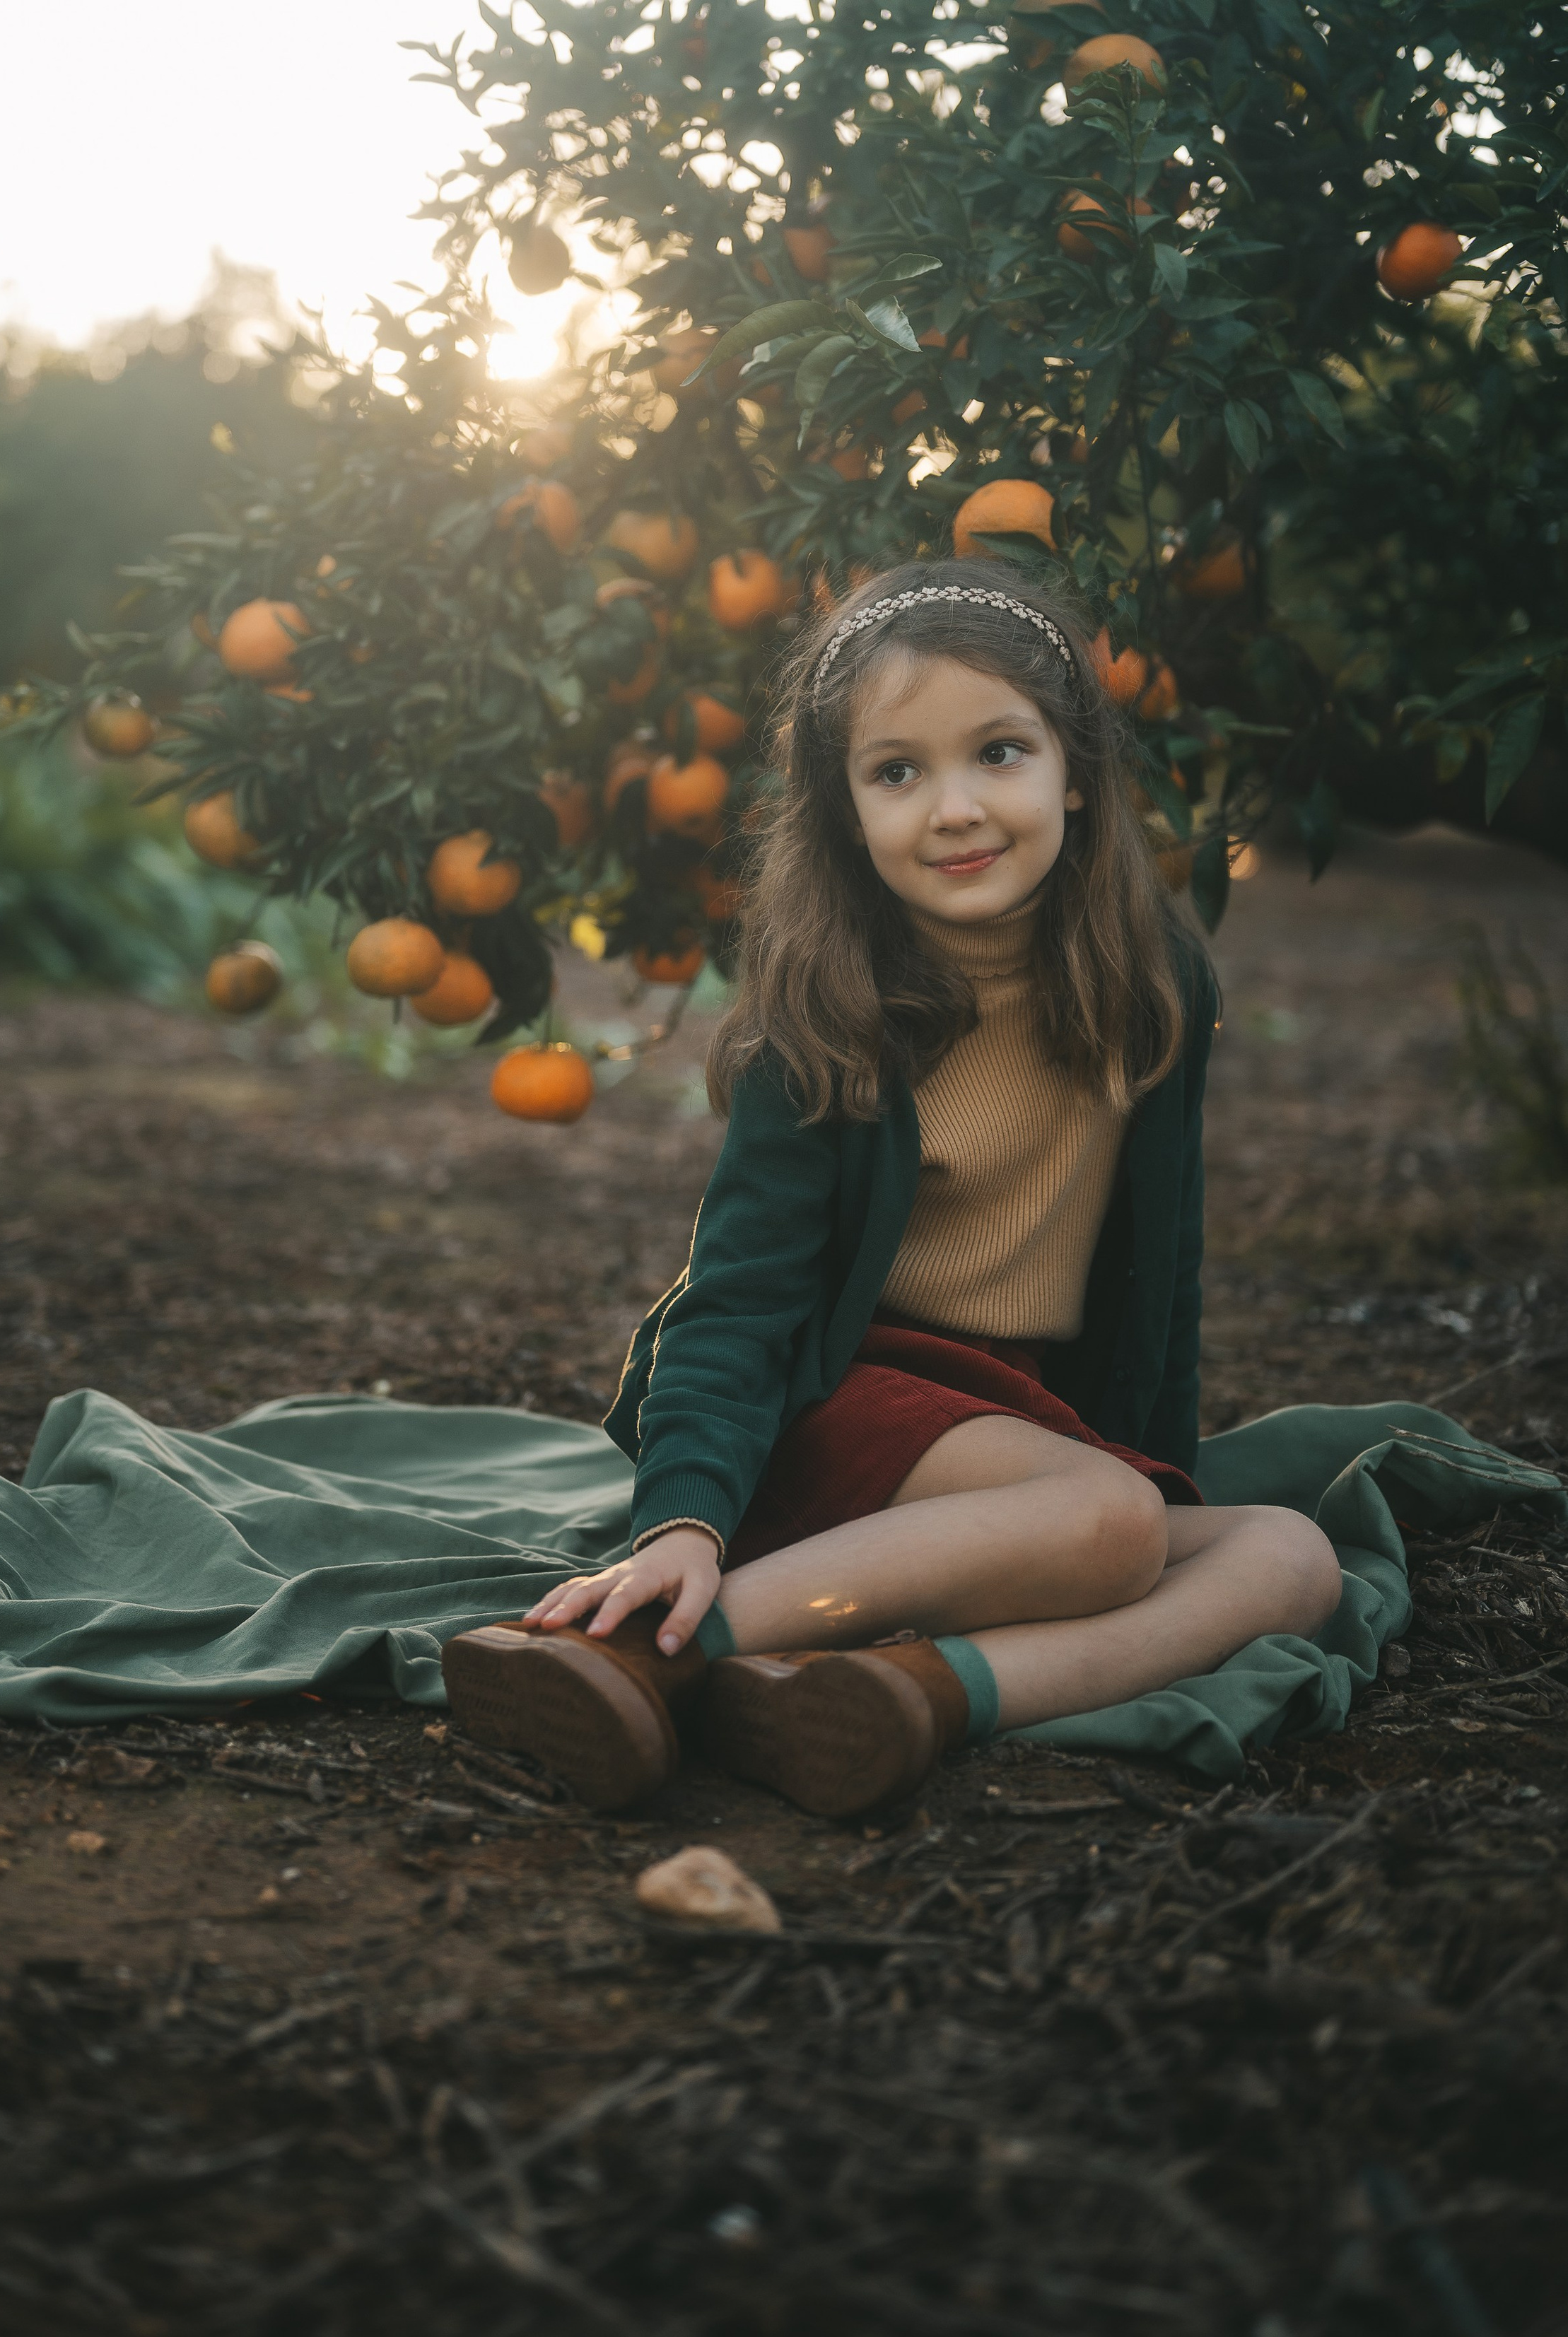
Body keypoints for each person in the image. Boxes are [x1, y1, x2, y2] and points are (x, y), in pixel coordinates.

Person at [442, 559, 1342, 1816]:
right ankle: (636, 1653)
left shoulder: (1159, 988)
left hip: (1013, 1436)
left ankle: (905, 1695)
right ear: (847, 808)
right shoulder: (826, 1015)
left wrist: (1150, 1459)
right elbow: (739, 1297)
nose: (956, 808)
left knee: (1288, 1558)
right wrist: (684, 1524)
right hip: (842, 1397)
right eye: (898, 771)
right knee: (1117, 1530)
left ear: (1075, 771)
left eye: (1000, 753)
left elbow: (1164, 1270)